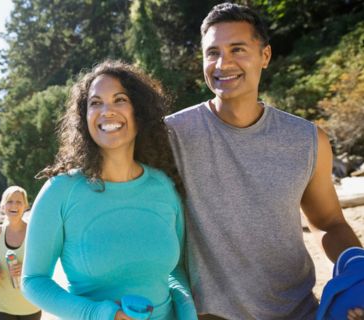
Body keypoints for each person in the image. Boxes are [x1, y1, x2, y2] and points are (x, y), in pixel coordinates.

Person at [164, 3, 363, 319]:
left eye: (237, 49)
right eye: (212, 52)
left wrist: (358, 274)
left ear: (265, 56)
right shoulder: (170, 136)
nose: (222, 62)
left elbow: (329, 224)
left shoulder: (307, 140)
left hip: (300, 313)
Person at [21, 60, 197, 320]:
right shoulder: (60, 191)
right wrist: (99, 313)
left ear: (140, 111)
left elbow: (175, 270)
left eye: (119, 99)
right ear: (84, 117)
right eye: (95, 102)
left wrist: (185, 306)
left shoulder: (164, 186)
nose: (107, 111)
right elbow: (33, 281)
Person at [0, 186, 42, 320]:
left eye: (19, 202)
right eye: (9, 201)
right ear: (3, 205)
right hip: (2, 306)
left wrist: (26, 268)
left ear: (25, 206)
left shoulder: (34, 232)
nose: (14, 205)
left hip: (31, 304)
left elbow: (45, 265)